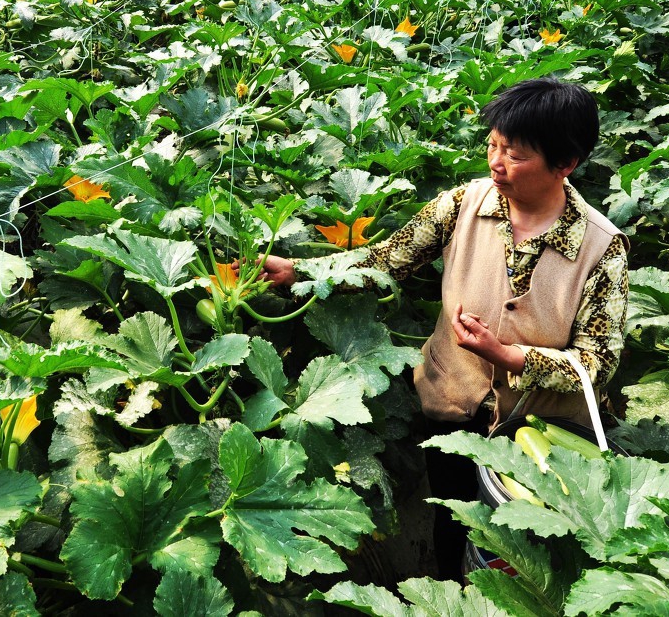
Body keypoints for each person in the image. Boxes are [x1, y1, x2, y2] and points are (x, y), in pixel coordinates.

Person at [257, 77, 628, 578]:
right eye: (493, 145)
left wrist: (510, 356)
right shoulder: (461, 204)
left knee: (521, 544)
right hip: (452, 403)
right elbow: (386, 261)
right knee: (453, 514)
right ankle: (450, 584)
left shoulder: (603, 247)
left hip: (538, 432)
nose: (496, 163)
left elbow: (598, 363)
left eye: (515, 155)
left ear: (566, 164)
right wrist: (301, 273)